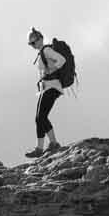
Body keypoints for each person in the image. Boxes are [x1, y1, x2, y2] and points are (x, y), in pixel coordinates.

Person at [26, 27, 72, 158]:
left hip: (52, 86)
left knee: (40, 117)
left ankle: (47, 146)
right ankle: (47, 145)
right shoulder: (41, 53)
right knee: (39, 118)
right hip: (46, 88)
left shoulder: (46, 50)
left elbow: (62, 60)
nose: (33, 45)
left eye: (34, 42)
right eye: (31, 44)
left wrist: (52, 70)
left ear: (40, 39)